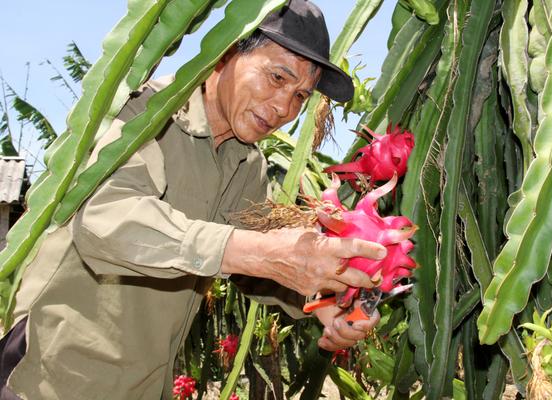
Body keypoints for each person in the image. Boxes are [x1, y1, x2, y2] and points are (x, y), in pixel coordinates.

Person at [0, 1, 386, 398]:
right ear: (227, 52)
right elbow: (105, 219)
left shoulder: (245, 163)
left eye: (300, 96)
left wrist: (325, 303)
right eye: (276, 77)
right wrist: (256, 252)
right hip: (47, 377)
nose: (284, 108)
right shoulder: (141, 113)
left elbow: (261, 264)